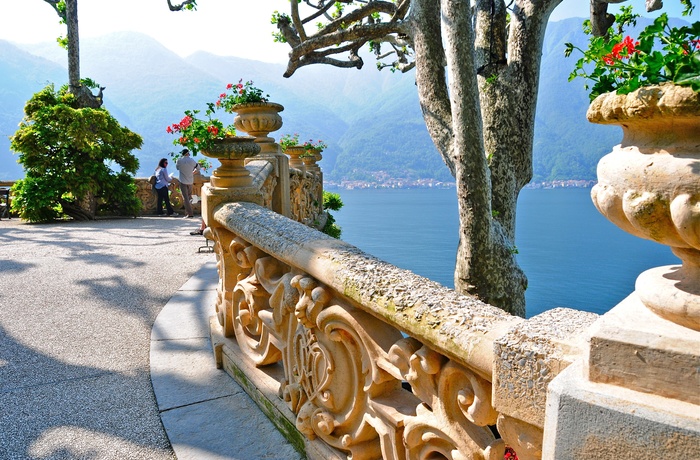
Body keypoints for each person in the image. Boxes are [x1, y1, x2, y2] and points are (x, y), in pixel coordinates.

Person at [176, 148, 199, 218]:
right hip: (190, 181)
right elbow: (198, 168)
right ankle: (188, 212)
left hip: (182, 181)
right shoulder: (191, 160)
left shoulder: (179, 160)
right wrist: (193, 172)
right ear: (188, 153)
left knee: (185, 198)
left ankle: (190, 213)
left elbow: (177, 168)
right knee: (189, 197)